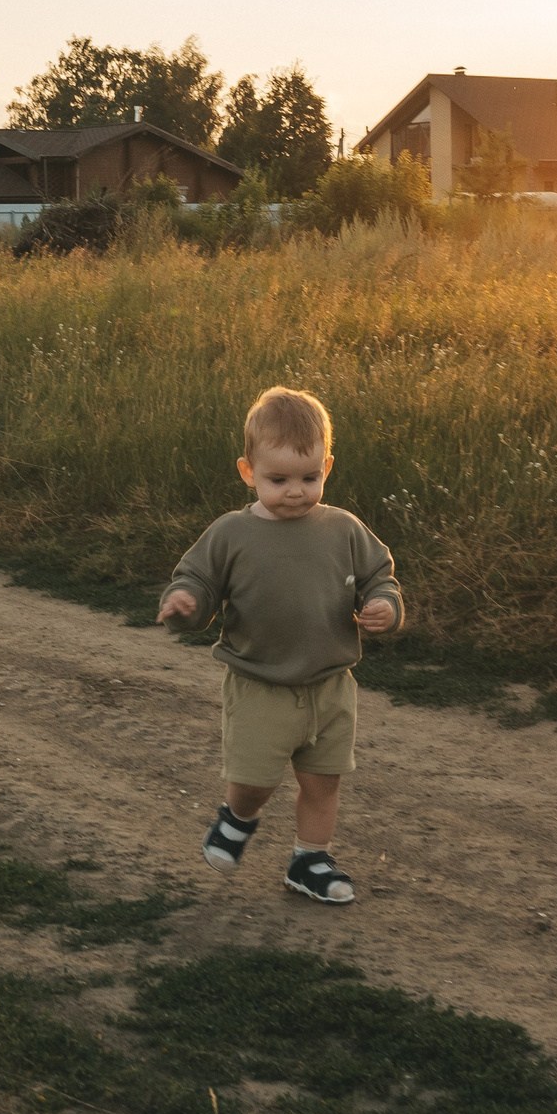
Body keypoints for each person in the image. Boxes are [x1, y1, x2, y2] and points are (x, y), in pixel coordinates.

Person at [157, 385, 402, 905]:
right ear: (248, 472)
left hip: (331, 686)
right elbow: (198, 582)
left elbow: (379, 576)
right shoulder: (231, 533)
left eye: (309, 478)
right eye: (279, 480)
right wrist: (185, 603)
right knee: (255, 780)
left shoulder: (343, 529)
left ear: (327, 467)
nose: (296, 491)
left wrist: (385, 604)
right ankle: (238, 816)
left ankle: (310, 860)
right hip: (259, 684)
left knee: (323, 780)